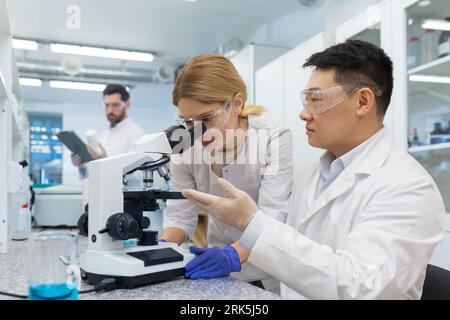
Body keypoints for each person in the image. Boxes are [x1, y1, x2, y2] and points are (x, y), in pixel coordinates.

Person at [181, 40, 446, 300]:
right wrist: (232, 260)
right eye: (305, 101)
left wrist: (251, 223)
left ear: (363, 102)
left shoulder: (408, 186)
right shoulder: (312, 175)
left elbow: (361, 288)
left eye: (315, 100)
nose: (303, 114)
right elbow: (289, 257)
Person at [160, 54, 293, 291]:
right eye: (187, 122)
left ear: (237, 103)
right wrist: (158, 252)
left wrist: (233, 255)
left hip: (267, 268)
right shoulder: (184, 148)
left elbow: (274, 215)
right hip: (218, 270)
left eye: (206, 119)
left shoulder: (272, 137)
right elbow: (180, 216)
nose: (196, 132)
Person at [71, 84, 146, 178]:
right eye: (106, 105)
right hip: (100, 191)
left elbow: (138, 175)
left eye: (115, 105)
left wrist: (105, 160)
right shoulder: (103, 136)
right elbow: (93, 176)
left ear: (127, 105)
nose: (110, 110)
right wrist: (82, 166)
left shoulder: (137, 135)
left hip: (122, 193)